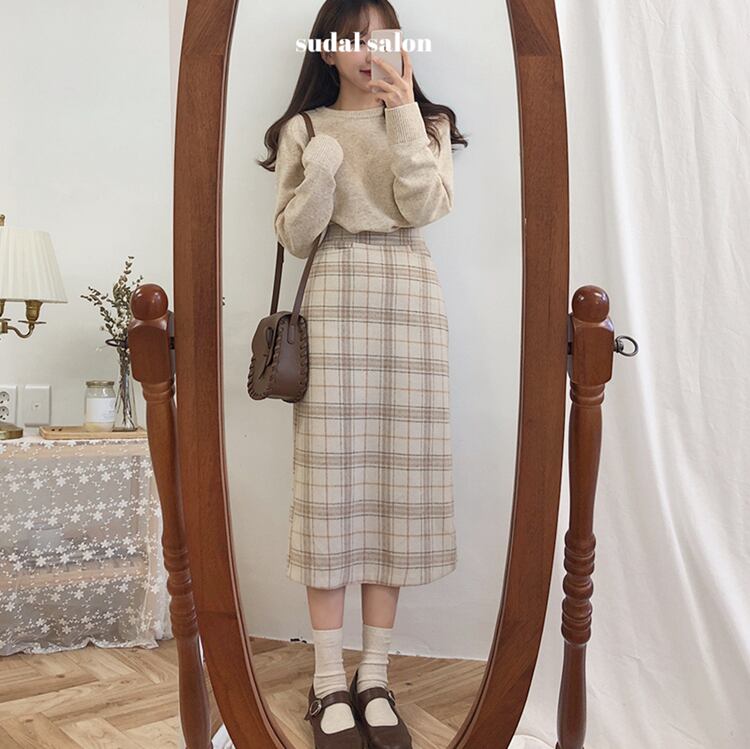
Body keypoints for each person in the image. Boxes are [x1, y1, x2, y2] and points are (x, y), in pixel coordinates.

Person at [259, 1, 467, 746]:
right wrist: (319, 169)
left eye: (382, 36)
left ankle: (374, 674)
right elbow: (295, 234)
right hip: (334, 304)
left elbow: (425, 205)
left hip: (409, 306)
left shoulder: (427, 122)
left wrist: (404, 113)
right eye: (352, 38)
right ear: (327, 50)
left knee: (396, 492)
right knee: (330, 492)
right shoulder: (304, 129)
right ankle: (326, 682)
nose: (368, 50)